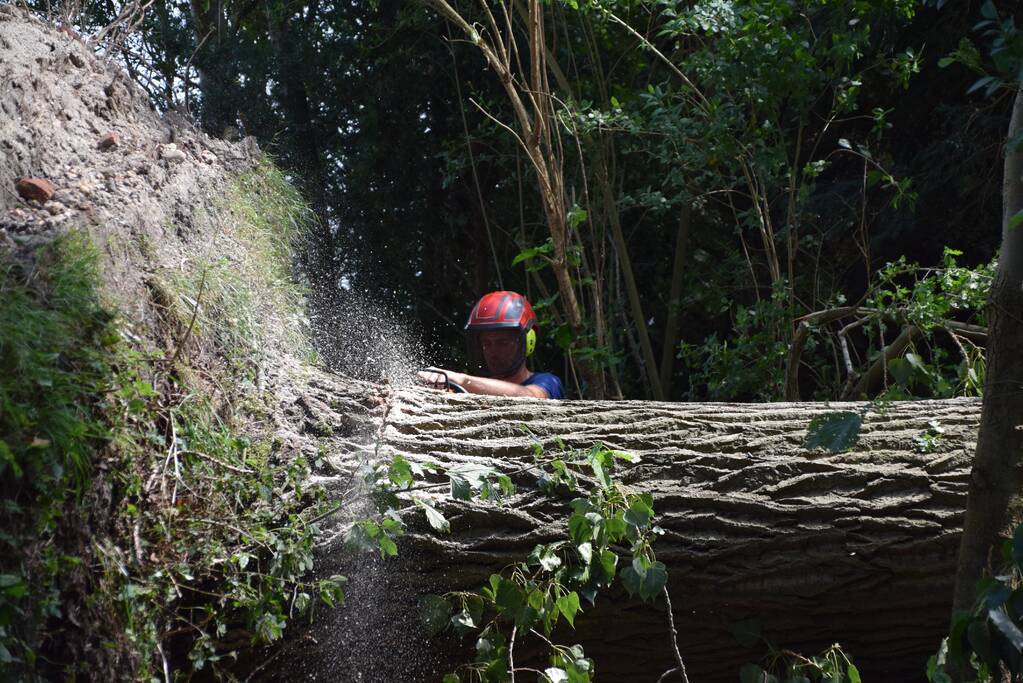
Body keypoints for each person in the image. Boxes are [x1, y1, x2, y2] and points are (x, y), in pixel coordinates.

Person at [416, 291, 565, 399]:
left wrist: (461, 380)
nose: (492, 351)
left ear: (528, 342)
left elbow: (532, 397)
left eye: (503, 343)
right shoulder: (470, 389)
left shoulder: (548, 382)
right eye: (486, 343)